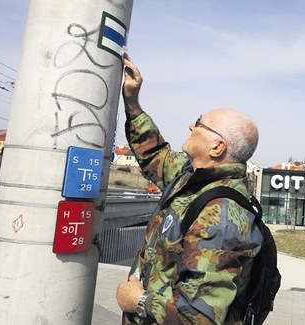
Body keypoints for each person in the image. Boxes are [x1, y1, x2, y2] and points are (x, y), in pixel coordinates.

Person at [116, 54, 263, 324]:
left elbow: (197, 318)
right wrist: (133, 103)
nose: (190, 126)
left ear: (217, 147)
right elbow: (155, 154)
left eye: (199, 123)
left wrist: (139, 301)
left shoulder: (221, 215)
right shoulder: (191, 177)